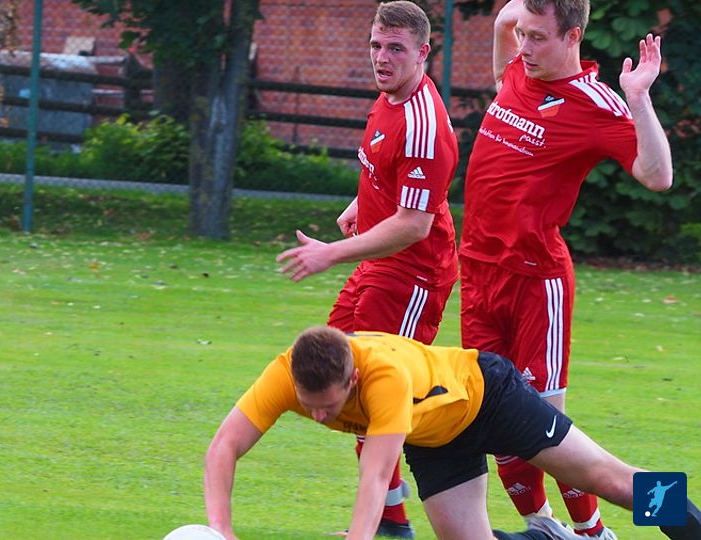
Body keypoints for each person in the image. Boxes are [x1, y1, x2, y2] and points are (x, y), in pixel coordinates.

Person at [459, 0, 673, 537]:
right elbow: (504, 21)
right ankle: (545, 527)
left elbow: (658, 176)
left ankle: (599, 532)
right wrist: (522, 21)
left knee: (546, 432)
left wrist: (639, 98)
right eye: (524, 34)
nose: (524, 47)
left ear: (573, 36)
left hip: (536, 282)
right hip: (479, 275)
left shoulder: (594, 102)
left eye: (538, 38)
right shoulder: (516, 72)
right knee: (496, 423)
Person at [202, 326, 701, 540]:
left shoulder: (383, 377)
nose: (317, 416)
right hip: (436, 439)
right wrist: (220, 528)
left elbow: (375, 476)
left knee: (609, 481)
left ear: (351, 379)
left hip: (491, 397)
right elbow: (225, 446)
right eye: (307, 405)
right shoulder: (284, 374)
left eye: (327, 407)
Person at [276, 2, 459, 536]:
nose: (381, 58)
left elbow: (415, 225)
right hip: (381, 265)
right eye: (376, 45)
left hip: (413, 275)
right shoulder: (389, 99)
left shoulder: (424, 124)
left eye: (395, 49)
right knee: (338, 378)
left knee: (376, 394)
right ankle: (390, 519)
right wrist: (362, 204)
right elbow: (392, 178)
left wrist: (331, 252)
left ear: (423, 53)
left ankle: (394, 519)